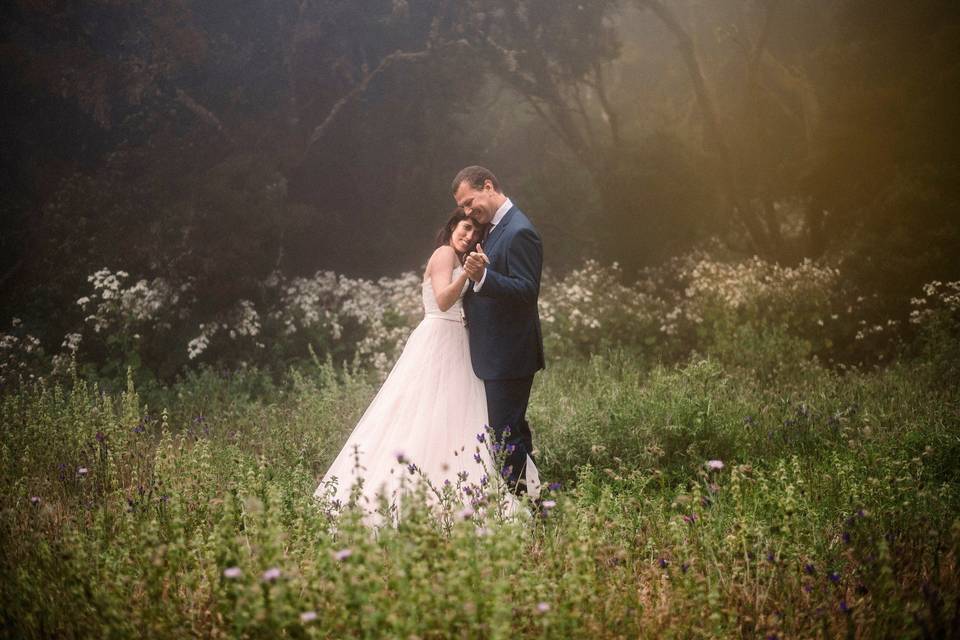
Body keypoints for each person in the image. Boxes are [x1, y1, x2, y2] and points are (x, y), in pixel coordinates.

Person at [314, 209, 524, 525]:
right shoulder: (443, 254)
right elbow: (442, 300)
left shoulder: (461, 258)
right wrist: (468, 273)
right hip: (438, 336)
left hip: (458, 341)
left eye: (475, 234)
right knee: (418, 413)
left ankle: (448, 489)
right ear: (453, 226)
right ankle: (395, 495)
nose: (469, 237)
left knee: (451, 417)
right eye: (466, 228)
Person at [454, 166, 545, 498]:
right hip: (495, 354)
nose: (467, 212)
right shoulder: (492, 229)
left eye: (469, 202)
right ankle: (538, 503)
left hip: (510, 356)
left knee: (504, 439)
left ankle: (528, 509)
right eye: (463, 207)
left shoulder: (520, 231)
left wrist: (483, 279)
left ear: (488, 186)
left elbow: (526, 291)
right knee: (513, 433)